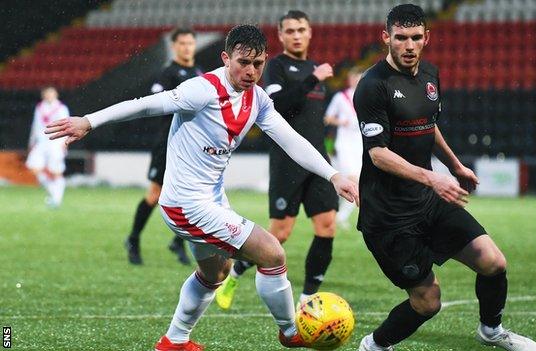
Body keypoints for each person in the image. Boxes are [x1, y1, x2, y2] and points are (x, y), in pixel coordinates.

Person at [46, 24, 358, 351]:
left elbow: (291, 139)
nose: (251, 71)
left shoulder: (258, 99)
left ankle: (174, 341)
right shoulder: (203, 89)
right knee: (272, 253)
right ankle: (291, 333)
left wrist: (333, 175)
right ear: (226, 58)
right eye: (243, 62)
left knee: (215, 273)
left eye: (258, 63)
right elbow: (146, 104)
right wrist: (89, 121)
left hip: (210, 201)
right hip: (185, 204)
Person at [354, 5, 536, 351]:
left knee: (493, 262)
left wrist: (454, 165)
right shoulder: (372, 86)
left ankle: (491, 330)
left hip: (427, 202)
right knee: (428, 302)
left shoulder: (429, 75)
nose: (408, 46)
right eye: (400, 38)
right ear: (386, 39)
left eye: (415, 38)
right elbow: (377, 154)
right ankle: (374, 345)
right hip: (389, 217)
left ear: (427, 37)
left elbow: (428, 124)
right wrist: (433, 178)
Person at [216, 10, 339, 311]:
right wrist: (313, 78)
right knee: (280, 235)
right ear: (281, 36)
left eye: (301, 30)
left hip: (317, 161)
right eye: (290, 31)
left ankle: (307, 300)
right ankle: (235, 273)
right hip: (287, 163)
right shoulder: (275, 67)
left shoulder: (314, 69)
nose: (297, 35)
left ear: (310, 33)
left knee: (327, 226)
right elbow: (280, 105)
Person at [125, 27, 203, 266]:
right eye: (183, 43)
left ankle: (178, 242)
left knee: (193, 196)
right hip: (168, 142)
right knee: (155, 195)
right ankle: (133, 239)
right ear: (174, 46)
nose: (187, 47)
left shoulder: (199, 73)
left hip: (192, 146)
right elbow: (158, 102)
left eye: (191, 43)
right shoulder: (167, 73)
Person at [324, 67, 363, 228]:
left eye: (360, 78)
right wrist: (342, 122)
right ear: (350, 79)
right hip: (344, 144)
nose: (357, 81)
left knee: (357, 182)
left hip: (360, 144)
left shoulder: (366, 96)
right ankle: (353, 216)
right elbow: (327, 118)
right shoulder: (341, 97)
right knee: (353, 180)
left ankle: (340, 215)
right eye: (355, 78)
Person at [26, 86, 69, 208]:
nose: (49, 96)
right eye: (47, 94)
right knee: (33, 167)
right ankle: (54, 194)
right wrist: (31, 142)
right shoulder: (40, 107)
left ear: (56, 95)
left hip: (56, 142)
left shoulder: (61, 108)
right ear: (43, 95)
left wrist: (64, 143)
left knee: (56, 171)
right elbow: (35, 125)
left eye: (51, 93)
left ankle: (57, 199)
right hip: (41, 142)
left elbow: (67, 126)